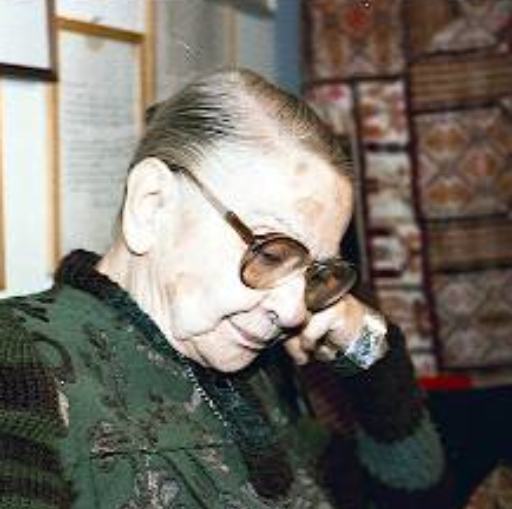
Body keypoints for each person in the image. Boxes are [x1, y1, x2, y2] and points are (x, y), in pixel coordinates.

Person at [0, 69, 453, 509]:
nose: (294, 312)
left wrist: (369, 352)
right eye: (270, 254)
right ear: (150, 204)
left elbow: (413, 491)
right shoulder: (19, 364)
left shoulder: (256, 368)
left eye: (317, 274)